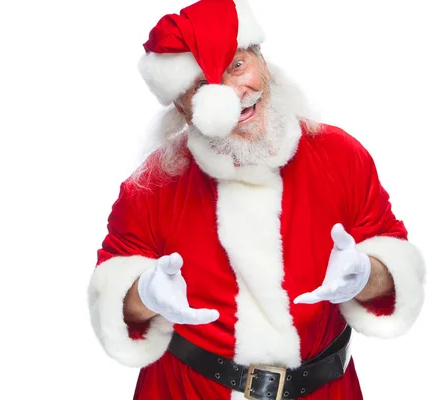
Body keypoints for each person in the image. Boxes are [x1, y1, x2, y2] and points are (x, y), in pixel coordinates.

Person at [87, 0, 426, 399]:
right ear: (182, 105)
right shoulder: (150, 187)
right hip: (188, 390)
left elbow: (395, 274)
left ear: (262, 62)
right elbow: (113, 304)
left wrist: (367, 274)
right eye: (202, 86)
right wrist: (144, 295)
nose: (234, 94)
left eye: (237, 65)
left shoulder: (342, 156)